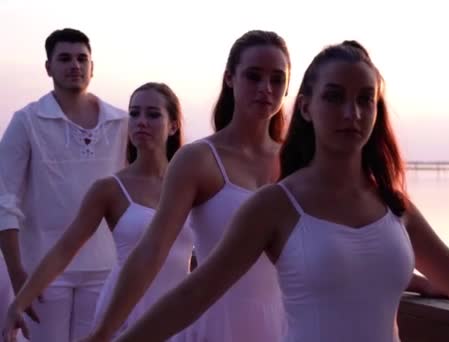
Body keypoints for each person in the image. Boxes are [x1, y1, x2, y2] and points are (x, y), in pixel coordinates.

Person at [111, 40, 449, 342]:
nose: (351, 114)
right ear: (304, 107)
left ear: (376, 110)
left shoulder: (394, 206)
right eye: (334, 98)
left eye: (364, 100)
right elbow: (195, 293)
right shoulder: (276, 206)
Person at [83, 30, 292, 342]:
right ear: (230, 78)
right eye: (253, 76)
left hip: (285, 325)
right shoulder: (198, 159)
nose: (265, 88)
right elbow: (152, 250)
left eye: (277, 79)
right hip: (216, 325)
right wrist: (105, 331)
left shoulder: (297, 161)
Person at [2, 83, 196, 342]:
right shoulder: (110, 189)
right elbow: (65, 249)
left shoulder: (192, 183)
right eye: (134, 113)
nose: (141, 122)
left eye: (153, 114)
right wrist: (19, 302)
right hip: (123, 313)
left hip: (177, 311)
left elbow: (204, 252)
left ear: (173, 125)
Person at [0, 28, 127, 342]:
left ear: (92, 67)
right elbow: (4, 199)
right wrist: (18, 275)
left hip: (106, 268)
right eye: (65, 58)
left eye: (82, 59)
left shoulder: (121, 122)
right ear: (48, 67)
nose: (75, 66)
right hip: (43, 270)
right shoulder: (26, 121)